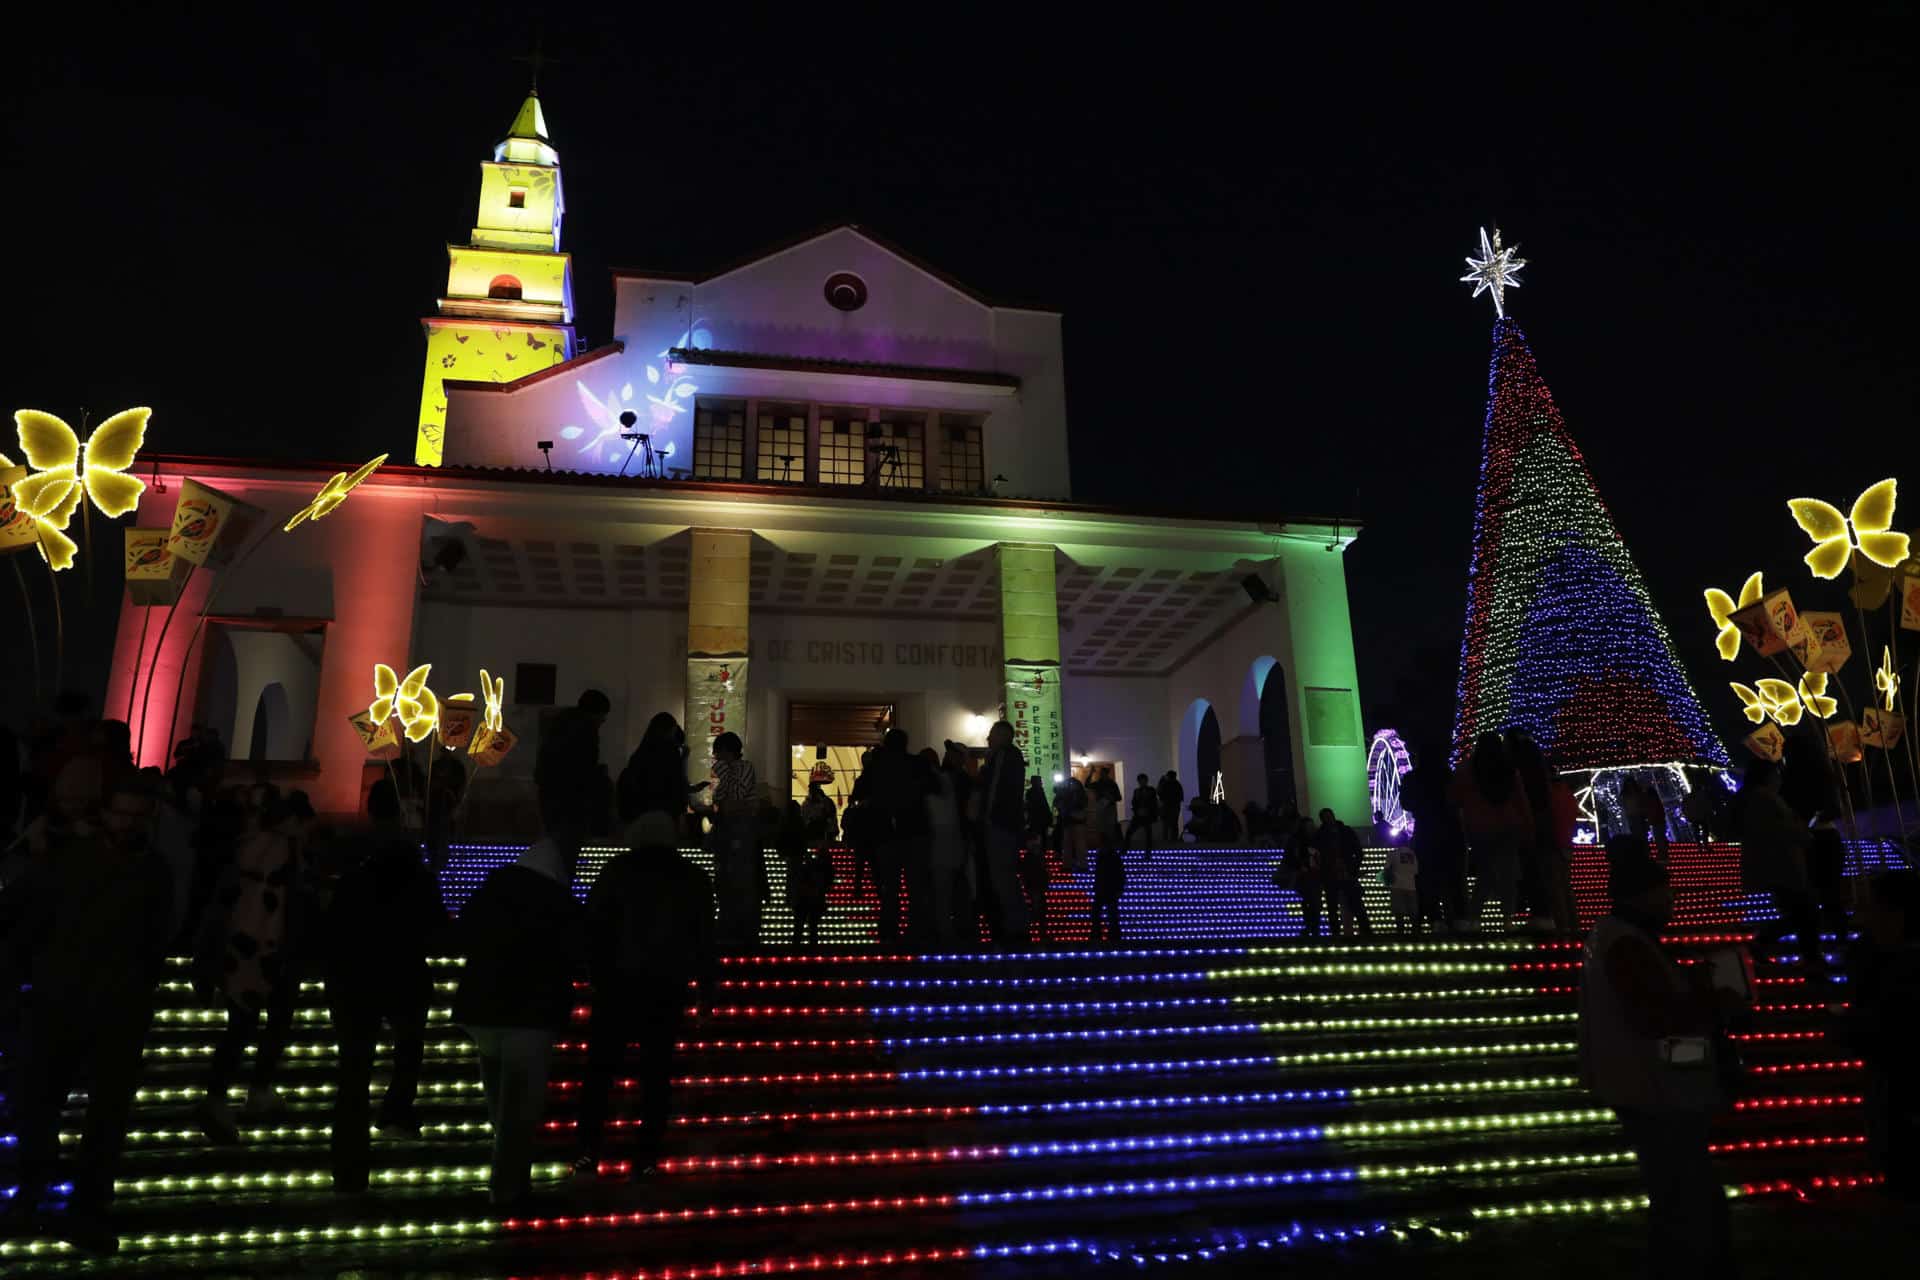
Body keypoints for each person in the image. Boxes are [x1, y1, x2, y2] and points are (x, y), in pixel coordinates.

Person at [0, 771, 172, 1254]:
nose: (128, 822)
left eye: (136, 815)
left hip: (105, 1007)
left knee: (94, 1116)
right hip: (67, 1002)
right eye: (123, 813)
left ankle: (69, 1206)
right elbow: (23, 921)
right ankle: (48, 1199)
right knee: (47, 1106)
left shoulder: (144, 871)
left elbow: (154, 941)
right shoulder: (79, 863)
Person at [451, 718, 593, 1208]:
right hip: (530, 1014)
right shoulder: (558, 900)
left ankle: (504, 1178)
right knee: (520, 1106)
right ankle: (508, 1187)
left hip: (484, 1008)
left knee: (499, 1101)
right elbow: (578, 953)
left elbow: (463, 931)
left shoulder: (496, 885)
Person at [1579, 837, 1734, 1277]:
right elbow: (1655, 1017)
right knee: (1687, 1195)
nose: (1672, 901)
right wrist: (1711, 1003)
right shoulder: (1626, 943)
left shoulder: (1614, 937)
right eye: (1666, 892)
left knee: (1676, 1192)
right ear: (1642, 896)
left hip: (1643, 1081)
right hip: (1656, 1085)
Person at [322, 778, 447, 1192]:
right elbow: (437, 930)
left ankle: (350, 1167)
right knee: (408, 1047)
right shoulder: (415, 870)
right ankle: (396, 1108)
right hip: (402, 976)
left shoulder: (354, 867)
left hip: (356, 983)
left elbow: (333, 930)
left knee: (354, 1076)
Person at [576, 832, 717, 1177]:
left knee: (600, 1074)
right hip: (665, 988)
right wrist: (706, 991)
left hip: (617, 987)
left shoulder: (615, 871)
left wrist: (593, 976)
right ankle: (647, 1155)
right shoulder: (691, 877)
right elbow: (704, 938)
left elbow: (593, 927)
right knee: (656, 1076)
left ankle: (588, 1151)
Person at [194, 787, 317, 1142]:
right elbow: (286, 906)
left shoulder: (247, 849)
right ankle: (250, 1091)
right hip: (269, 951)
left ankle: (221, 1097)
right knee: (267, 1025)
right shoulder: (285, 852)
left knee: (242, 1027)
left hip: (244, 950)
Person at [1845, 871, 1920, 1196]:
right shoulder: (1878, 956)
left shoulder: (1900, 968)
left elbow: (1883, 1026)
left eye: (1870, 907)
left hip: (1900, 1086)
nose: (1862, 916)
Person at [1736, 758, 1821, 972]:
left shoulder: (1757, 799)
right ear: (1766, 776)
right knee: (1804, 912)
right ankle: (1768, 942)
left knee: (1801, 913)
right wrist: (1803, 832)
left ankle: (1807, 956)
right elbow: (1781, 830)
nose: (1779, 778)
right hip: (1783, 865)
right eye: (1775, 774)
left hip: (1779, 865)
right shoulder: (1765, 799)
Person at [1450, 732, 1533, 932]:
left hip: (1479, 828)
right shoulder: (1508, 768)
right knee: (1508, 874)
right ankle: (1507, 918)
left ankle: (1474, 917)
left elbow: (1453, 799)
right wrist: (1528, 827)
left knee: (1486, 872)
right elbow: (1521, 801)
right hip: (1508, 827)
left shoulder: (1465, 769)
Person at [706, 731, 766, 950]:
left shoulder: (744, 767)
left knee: (741, 877)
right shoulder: (728, 773)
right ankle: (730, 923)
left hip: (742, 830)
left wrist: (724, 774)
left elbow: (737, 795)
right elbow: (720, 800)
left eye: (718, 751)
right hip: (728, 830)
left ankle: (744, 927)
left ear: (728, 751)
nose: (715, 756)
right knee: (726, 877)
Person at [975, 723, 1032, 944]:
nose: (988, 739)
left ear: (1002, 735)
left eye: (991, 735)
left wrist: (987, 817)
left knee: (1003, 877)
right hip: (1006, 824)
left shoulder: (1003, 756)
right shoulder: (1012, 757)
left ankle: (1015, 926)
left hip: (1000, 824)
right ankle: (1017, 924)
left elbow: (995, 792)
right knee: (1006, 876)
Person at [1402, 747, 1467, 933]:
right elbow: (1458, 799)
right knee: (1454, 875)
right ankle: (1458, 916)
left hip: (1425, 829)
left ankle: (1435, 918)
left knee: (1428, 876)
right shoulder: (1448, 775)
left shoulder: (1412, 778)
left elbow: (1406, 803)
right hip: (1450, 828)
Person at [616, 712, 691, 849]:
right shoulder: (670, 752)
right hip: (664, 815)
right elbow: (676, 786)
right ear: (671, 731)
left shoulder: (640, 753)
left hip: (638, 815)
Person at [1313, 808, 1371, 937]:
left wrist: (1353, 867)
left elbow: (1358, 850)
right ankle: (1341, 932)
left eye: (1329, 816)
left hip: (1343, 872)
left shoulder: (1338, 832)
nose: (1328, 819)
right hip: (1333, 873)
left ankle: (1363, 931)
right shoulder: (1323, 834)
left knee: (1352, 903)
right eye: (1325, 817)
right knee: (1336, 905)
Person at [1021, 776, 1052, 940]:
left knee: (1037, 906)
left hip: (1035, 882)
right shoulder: (1035, 793)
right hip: (1036, 882)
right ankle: (1039, 932)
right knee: (1038, 906)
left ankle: (1037, 932)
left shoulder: (1032, 793)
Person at [1055, 770, 1090, 873]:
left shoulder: (1069, 794)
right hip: (1074, 821)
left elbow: (1058, 803)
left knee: (1072, 844)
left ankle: (1071, 865)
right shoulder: (1078, 794)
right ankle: (1078, 865)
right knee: (1073, 844)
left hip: (1073, 820)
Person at [1387, 841, 1420, 934]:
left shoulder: (1392, 854)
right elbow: (1416, 871)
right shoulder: (1413, 854)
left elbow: (1387, 869)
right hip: (1411, 886)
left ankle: (1401, 933)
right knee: (1413, 911)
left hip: (1397, 885)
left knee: (1399, 911)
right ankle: (1415, 932)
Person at [1125, 772, 1159, 851]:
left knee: (1148, 833)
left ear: (1146, 781)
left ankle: (1148, 851)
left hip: (1147, 815)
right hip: (1138, 815)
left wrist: (1148, 811)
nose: (1141, 782)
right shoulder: (1136, 791)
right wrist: (1137, 810)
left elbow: (1154, 802)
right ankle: (1125, 848)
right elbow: (1134, 802)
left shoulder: (1151, 790)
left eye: (1143, 781)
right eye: (1140, 781)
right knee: (1129, 831)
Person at [1157, 771, 1184, 843]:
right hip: (1175, 807)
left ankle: (1165, 841)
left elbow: (1159, 793)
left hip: (1166, 807)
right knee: (1174, 824)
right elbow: (1181, 797)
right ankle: (1174, 840)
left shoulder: (1165, 784)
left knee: (1165, 825)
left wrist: (1161, 781)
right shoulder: (1177, 784)